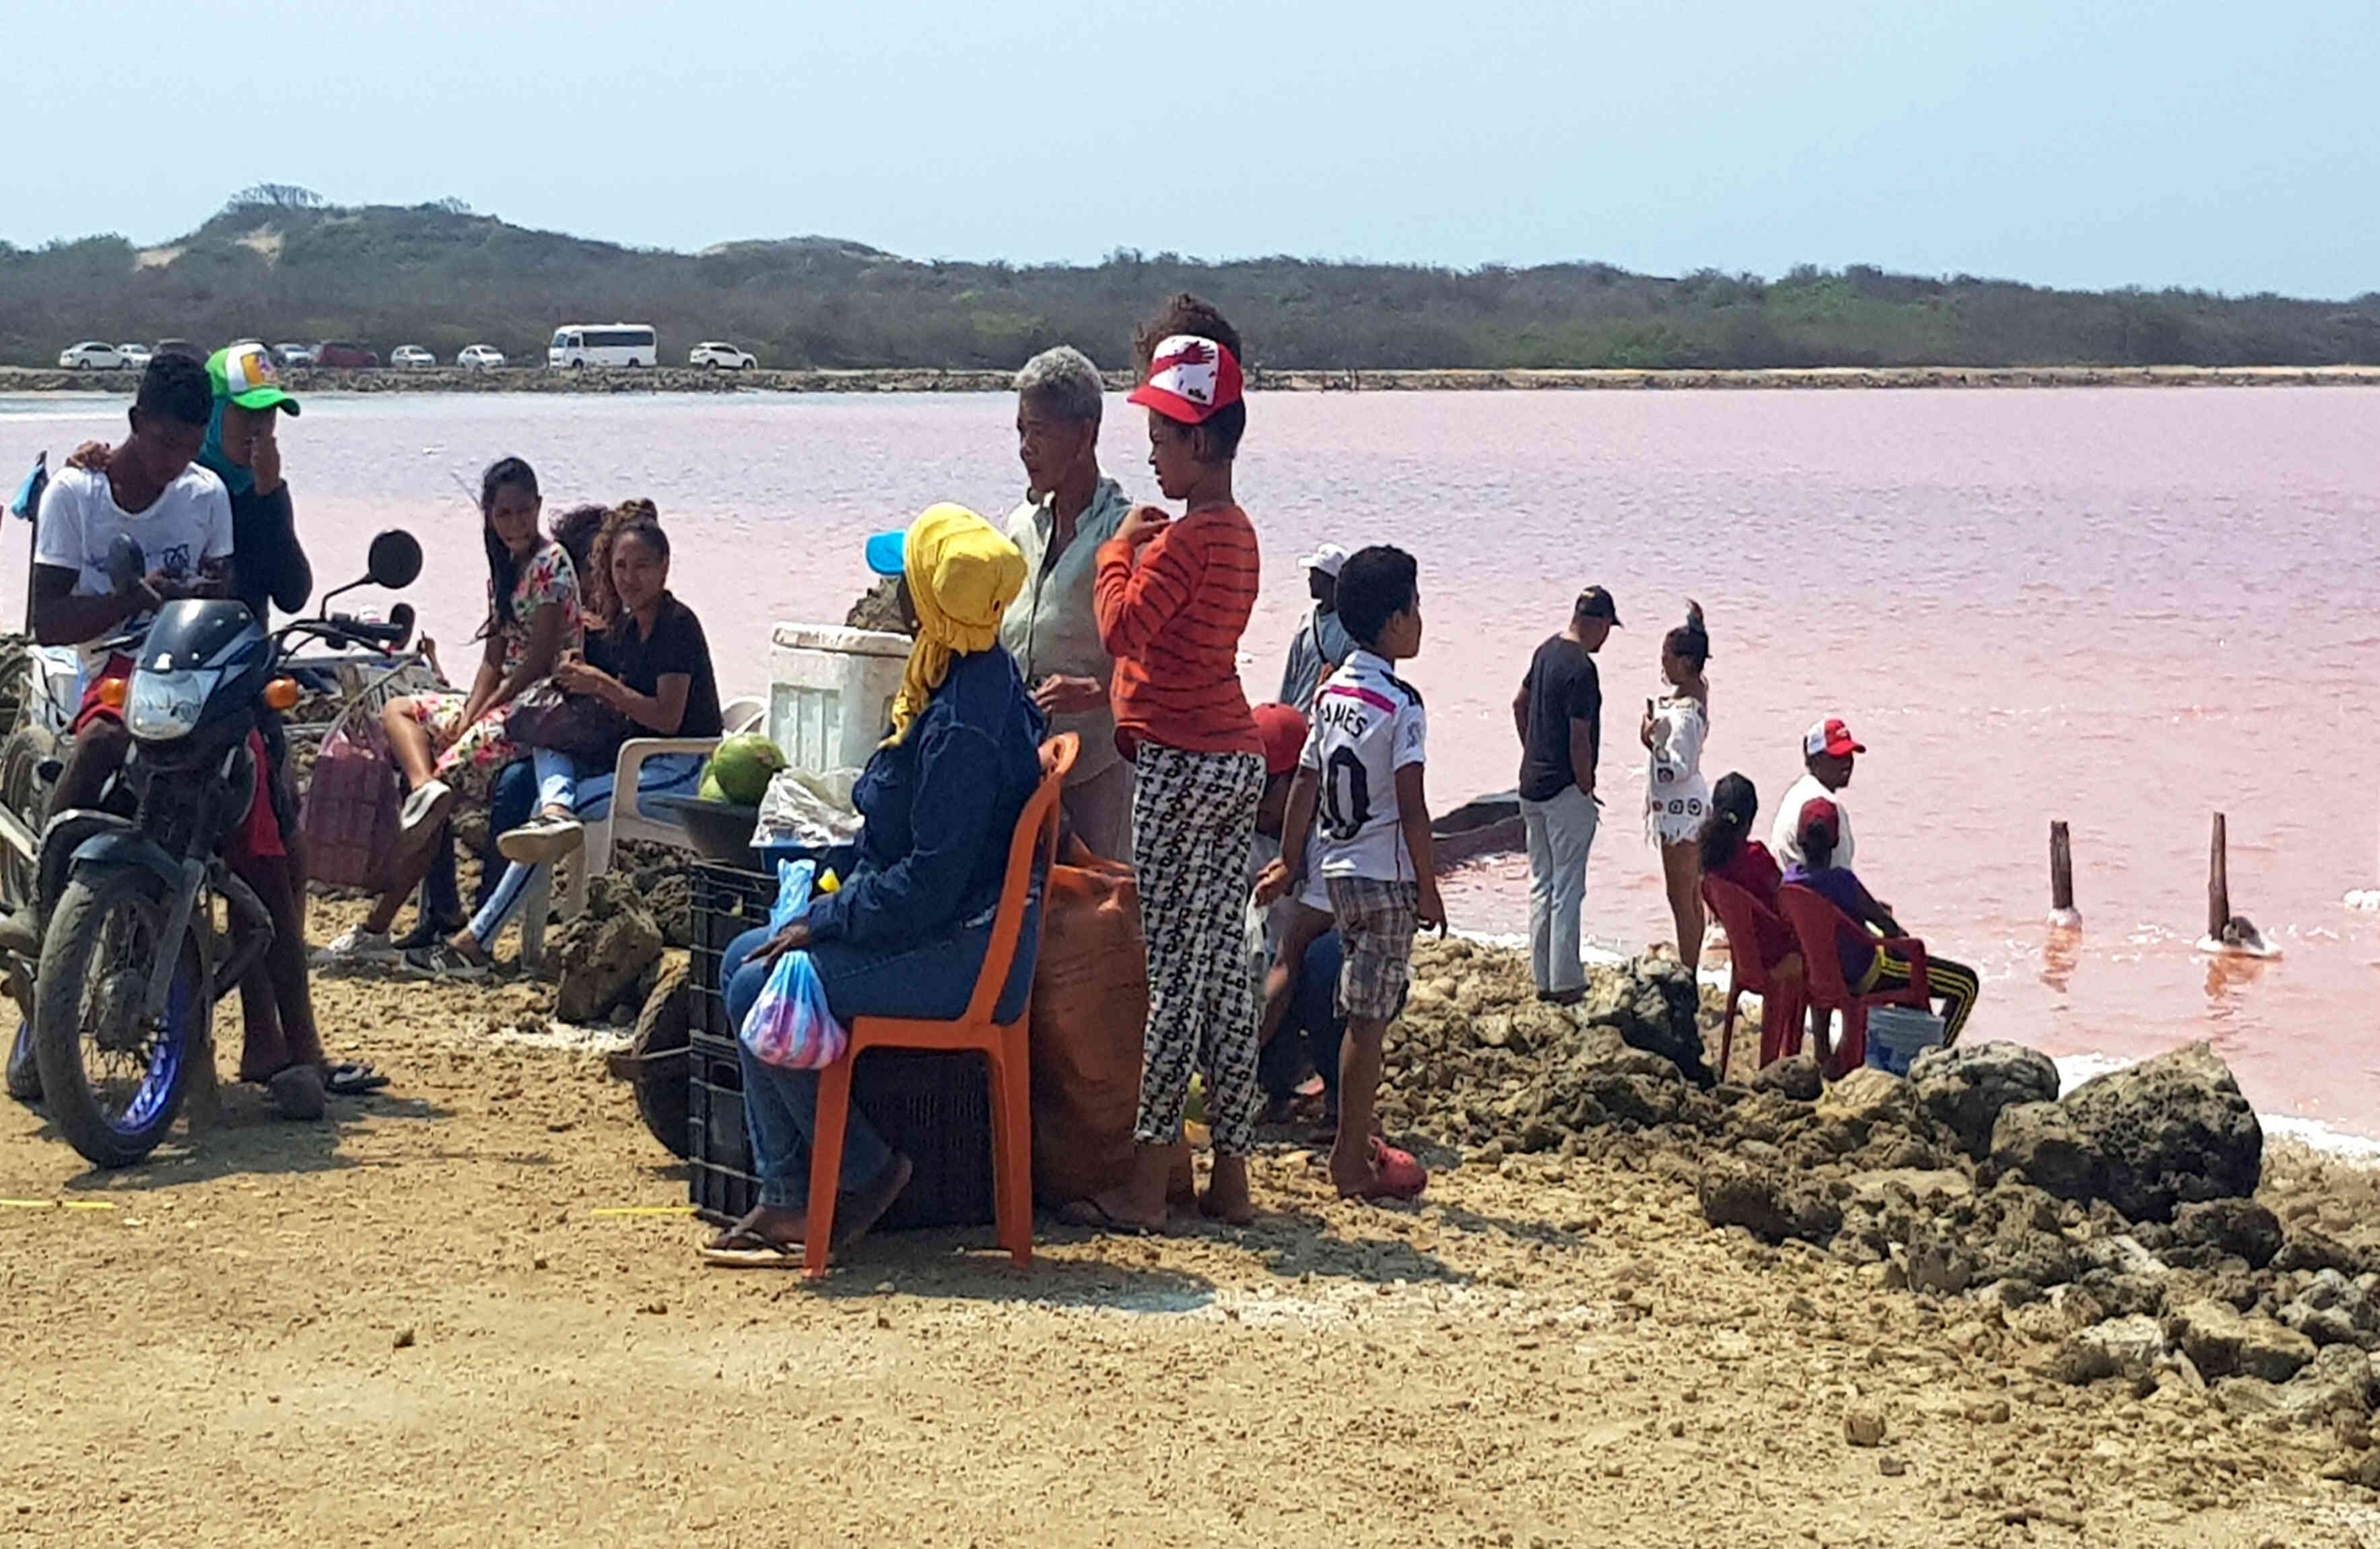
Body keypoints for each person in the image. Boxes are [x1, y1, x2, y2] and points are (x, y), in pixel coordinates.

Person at [702, 506, 1044, 1266]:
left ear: (929, 603)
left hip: (964, 954)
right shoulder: (971, 672)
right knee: (741, 964)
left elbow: (929, 882)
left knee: (760, 987)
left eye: (904, 580)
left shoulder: (962, 724)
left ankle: (848, 1178)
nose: (889, 590)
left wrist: (827, 921)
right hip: (950, 926)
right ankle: (802, 1187)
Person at [15, 356, 333, 1116]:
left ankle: (293, 1046)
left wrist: (195, 597)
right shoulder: (75, 493)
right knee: (96, 746)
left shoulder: (208, 494)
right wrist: (131, 598)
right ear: (132, 426)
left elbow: (235, 592)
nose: (173, 462)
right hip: (122, 668)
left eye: (187, 446)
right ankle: (44, 904)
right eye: (162, 443)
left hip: (203, 674)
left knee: (262, 844)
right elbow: (47, 619)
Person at [1077, 296, 1267, 1231]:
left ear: (1201, 438)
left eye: (1161, 433)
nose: (1150, 450)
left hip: (1179, 766)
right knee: (1223, 974)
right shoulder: (1236, 535)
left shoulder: (1184, 538)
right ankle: (1230, 1172)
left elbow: (1121, 627)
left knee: (1170, 977)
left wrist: (1116, 549)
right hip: (1230, 758)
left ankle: (1145, 1185)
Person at [411, 506, 722, 973]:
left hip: (676, 766)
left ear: (664, 568)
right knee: (547, 728)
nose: (628, 578)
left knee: (551, 818)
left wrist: (601, 685)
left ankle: (478, 938)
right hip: (631, 761)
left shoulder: (676, 625)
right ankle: (553, 812)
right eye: (620, 567)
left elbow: (666, 716)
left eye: (641, 567)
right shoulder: (624, 624)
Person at [322, 457, 582, 960]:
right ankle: (426, 789)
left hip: (539, 708)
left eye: (523, 512)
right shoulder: (504, 570)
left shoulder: (552, 566)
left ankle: (376, 925)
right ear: (489, 516)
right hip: (504, 699)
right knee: (401, 710)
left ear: (538, 508)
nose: (514, 523)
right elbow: (493, 656)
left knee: (444, 775)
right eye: (504, 514)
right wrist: (469, 714)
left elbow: (537, 662)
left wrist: (488, 712)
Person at [1257, 545, 1439, 1200]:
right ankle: (1349, 1154)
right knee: (1369, 1020)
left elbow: (1306, 779)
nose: (1420, 620)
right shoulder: (1402, 701)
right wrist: (1428, 885)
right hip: (1383, 875)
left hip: (1332, 869)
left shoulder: (1331, 689)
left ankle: (1349, 1134)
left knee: (1342, 995)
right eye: (1415, 608)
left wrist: (1288, 854)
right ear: (1393, 622)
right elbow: (1412, 806)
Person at [1000, 346, 1135, 863]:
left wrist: (1098, 691)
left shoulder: (1124, 535)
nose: (1025, 448)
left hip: (1094, 769)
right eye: (1019, 431)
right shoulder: (1019, 528)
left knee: (1094, 916)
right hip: (1018, 765)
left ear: (1085, 435)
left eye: (1039, 432)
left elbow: (1159, 663)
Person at [1783, 796, 1980, 1046]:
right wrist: (1901, 936)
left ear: (1799, 839)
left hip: (1822, 974)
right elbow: (1885, 924)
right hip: (1868, 973)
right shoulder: (1843, 882)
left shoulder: (1789, 884)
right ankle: (1937, 1056)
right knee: (1966, 984)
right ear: (1836, 841)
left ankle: (1836, 1051)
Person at [1512, 586, 1619, 1004]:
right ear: (1594, 622)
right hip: (1563, 789)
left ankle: (1543, 976)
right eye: (1607, 628)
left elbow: (1519, 704)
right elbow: (1580, 737)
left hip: (1531, 785)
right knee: (1568, 886)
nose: (1606, 638)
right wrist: (1586, 785)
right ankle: (1566, 981)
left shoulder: (1545, 651)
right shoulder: (1582, 669)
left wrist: (1531, 748)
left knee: (1541, 882)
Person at [1245, 702, 1344, 1132]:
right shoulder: (1242, 833)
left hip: (1322, 966)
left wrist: (1238, 1057)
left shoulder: (1329, 837)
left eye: (1264, 789)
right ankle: (1276, 1087)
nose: (1254, 803)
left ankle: (1341, 1097)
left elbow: (1293, 955)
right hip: (1266, 970)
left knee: (1325, 962)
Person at [1699, 772, 1805, 1069]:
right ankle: (1785, 1058)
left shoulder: (1710, 862)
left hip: (1745, 959)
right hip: (1776, 958)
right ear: (1750, 818)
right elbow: (1785, 899)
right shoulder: (1755, 856)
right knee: (1811, 955)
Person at [1641, 601, 1711, 972]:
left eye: (1667, 657)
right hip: (1683, 807)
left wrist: (1651, 742)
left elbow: (1677, 769)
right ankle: (1691, 965)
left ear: (1685, 662)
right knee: (1689, 895)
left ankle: (1689, 969)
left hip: (1680, 810)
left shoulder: (1686, 714)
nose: (1662, 664)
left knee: (1681, 896)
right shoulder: (1696, 690)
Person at [1772, 716, 1862, 870]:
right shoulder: (1829, 809)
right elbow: (1841, 874)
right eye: (1837, 756)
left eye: (1849, 754)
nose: (1847, 763)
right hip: (1815, 892)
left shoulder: (1794, 794)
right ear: (1814, 761)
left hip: (1788, 889)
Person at [1277, 542, 1352, 715]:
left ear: (1332, 581)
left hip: (1322, 726)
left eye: (1316, 575)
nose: (1310, 579)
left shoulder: (1349, 631)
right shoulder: (1307, 620)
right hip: (1296, 721)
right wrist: (1280, 716)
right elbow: (1290, 677)